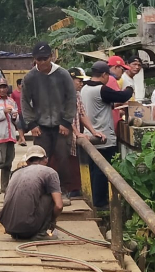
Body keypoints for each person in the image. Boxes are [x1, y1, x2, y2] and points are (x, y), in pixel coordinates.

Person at [20, 41, 77, 201]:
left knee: (63, 159)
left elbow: (71, 98)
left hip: (61, 126)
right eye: (39, 59)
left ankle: (63, 191)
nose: (43, 62)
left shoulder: (63, 74)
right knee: (38, 160)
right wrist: (32, 124)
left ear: (51, 57)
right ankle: (39, 191)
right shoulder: (30, 77)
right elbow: (24, 102)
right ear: (34, 59)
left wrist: (66, 122)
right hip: (41, 126)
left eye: (45, 58)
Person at [81, 61, 134, 209]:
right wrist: (130, 86)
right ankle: (101, 203)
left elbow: (101, 105)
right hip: (103, 136)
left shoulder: (84, 88)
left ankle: (95, 200)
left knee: (94, 169)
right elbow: (123, 96)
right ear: (104, 75)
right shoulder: (101, 89)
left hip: (90, 135)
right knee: (102, 171)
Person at [0, 145, 64, 239]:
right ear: (45, 160)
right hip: (28, 227)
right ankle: (41, 233)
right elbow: (59, 206)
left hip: (8, 226)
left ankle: (20, 231)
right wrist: (51, 221)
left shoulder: (16, 172)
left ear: (27, 161)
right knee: (51, 196)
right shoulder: (50, 172)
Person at [65, 67, 106, 198]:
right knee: (63, 162)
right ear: (70, 80)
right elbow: (65, 116)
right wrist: (76, 132)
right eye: (79, 80)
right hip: (64, 135)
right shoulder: (62, 94)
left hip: (75, 135)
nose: (81, 83)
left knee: (75, 162)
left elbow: (82, 114)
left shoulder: (77, 94)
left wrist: (93, 131)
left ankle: (75, 190)